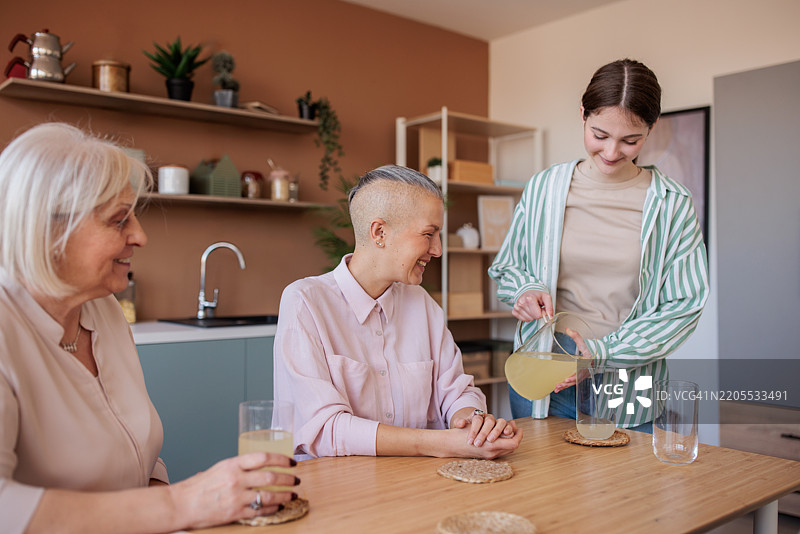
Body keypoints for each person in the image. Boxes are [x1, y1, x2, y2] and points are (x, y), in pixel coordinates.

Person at [0, 123, 299, 534]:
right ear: (49, 231)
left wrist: (174, 513)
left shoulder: (103, 311)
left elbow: (138, 457)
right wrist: (182, 504)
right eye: (119, 220)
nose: (139, 235)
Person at [489, 59, 709, 430]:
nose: (611, 152)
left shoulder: (673, 203)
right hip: (545, 370)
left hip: (629, 381)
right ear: (582, 115)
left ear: (651, 129)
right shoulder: (545, 187)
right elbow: (509, 266)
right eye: (600, 135)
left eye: (630, 140)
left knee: (627, 488)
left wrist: (603, 354)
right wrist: (525, 290)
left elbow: (684, 304)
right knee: (542, 488)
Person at [274, 165, 522, 458]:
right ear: (379, 232)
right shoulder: (305, 302)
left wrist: (471, 421)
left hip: (414, 485)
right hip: (332, 489)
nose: (438, 249)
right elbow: (324, 429)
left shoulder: (423, 305)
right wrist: (443, 444)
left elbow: (457, 390)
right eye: (429, 234)